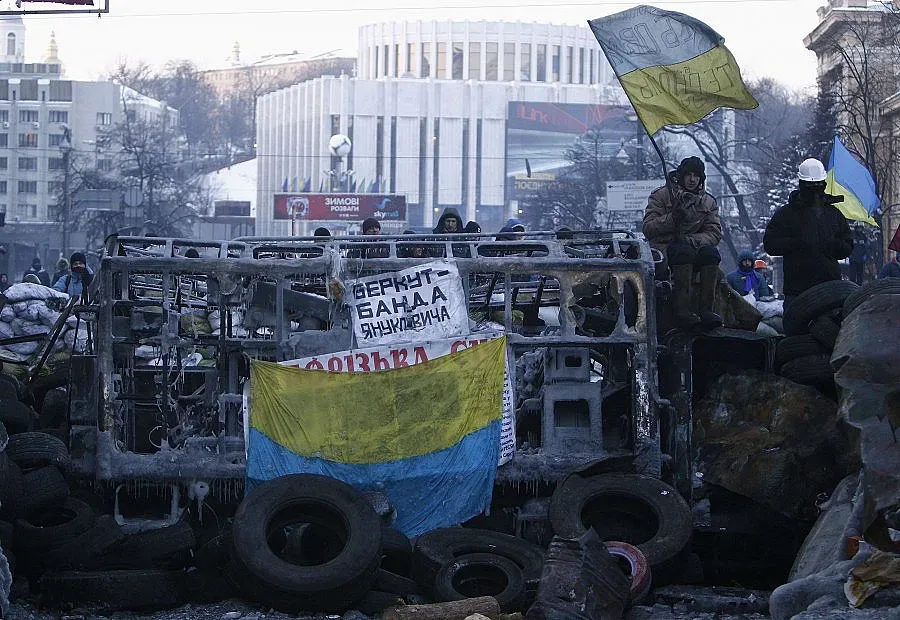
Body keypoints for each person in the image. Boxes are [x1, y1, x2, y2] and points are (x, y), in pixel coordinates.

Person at [643, 156, 723, 329]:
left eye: (696, 175)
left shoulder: (708, 202)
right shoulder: (662, 196)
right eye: (688, 175)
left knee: (711, 254)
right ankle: (682, 310)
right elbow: (648, 228)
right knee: (682, 252)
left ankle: (706, 310)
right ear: (680, 176)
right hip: (665, 250)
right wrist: (671, 219)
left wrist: (691, 240)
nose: (692, 179)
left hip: (693, 248)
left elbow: (714, 233)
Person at [763, 158, 852, 310]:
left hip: (829, 286)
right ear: (802, 184)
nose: (815, 189)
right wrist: (796, 243)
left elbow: (847, 245)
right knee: (796, 331)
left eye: (818, 184)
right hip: (797, 289)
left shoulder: (834, 214)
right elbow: (770, 244)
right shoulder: (787, 214)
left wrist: (833, 244)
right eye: (811, 185)